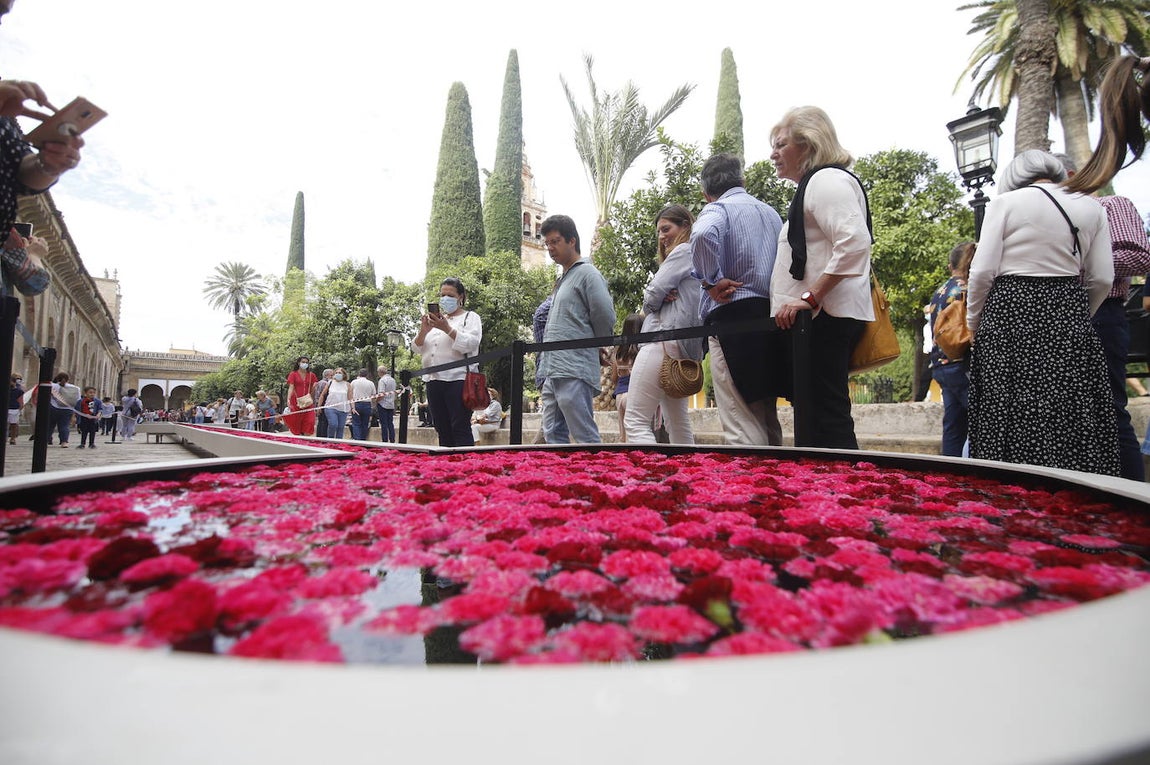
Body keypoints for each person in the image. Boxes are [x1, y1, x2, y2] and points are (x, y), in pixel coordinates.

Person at [966, 149, 1118, 476]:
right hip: (1066, 305)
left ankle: (1008, 485)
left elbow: (981, 273)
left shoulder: (1005, 204)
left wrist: (974, 322)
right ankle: (1075, 487)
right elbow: (1103, 277)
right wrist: (1077, 315)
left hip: (1009, 309)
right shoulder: (1092, 207)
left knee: (1007, 405)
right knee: (1070, 408)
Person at [770, 107, 874, 450]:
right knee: (815, 412)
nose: (773, 153)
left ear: (807, 144)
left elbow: (855, 242)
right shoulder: (819, 184)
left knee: (827, 413)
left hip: (823, 316)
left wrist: (811, 297)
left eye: (781, 144)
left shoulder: (825, 181)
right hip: (817, 317)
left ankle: (844, 491)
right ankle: (825, 491)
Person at [1058, 152, 1150, 481]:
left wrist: (1081, 261)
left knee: (1110, 410)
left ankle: (1130, 499)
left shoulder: (1113, 205)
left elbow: (1139, 257)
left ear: (1069, 175)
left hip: (1103, 315)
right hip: (1065, 320)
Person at [690, 153, 785, 446]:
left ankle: (750, 486)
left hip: (732, 312)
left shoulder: (717, 210)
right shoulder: (770, 212)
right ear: (742, 180)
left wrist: (710, 281)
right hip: (771, 315)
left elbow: (703, 234)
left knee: (740, 415)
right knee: (765, 411)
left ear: (706, 193)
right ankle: (778, 482)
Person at [626, 205, 704, 445]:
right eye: (659, 231)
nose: (662, 236)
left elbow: (650, 297)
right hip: (681, 349)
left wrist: (655, 299)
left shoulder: (683, 251)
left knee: (635, 421)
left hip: (660, 341)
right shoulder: (699, 256)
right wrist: (660, 295)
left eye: (666, 228)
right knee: (678, 424)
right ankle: (689, 476)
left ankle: (649, 479)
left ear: (685, 226)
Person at [538, 215, 616, 444]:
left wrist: (599, 345)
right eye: (547, 244)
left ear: (572, 241)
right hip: (553, 368)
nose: (550, 248)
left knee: (582, 431)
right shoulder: (565, 278)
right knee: (552, 432)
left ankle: (598, 476)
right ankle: (558, 477)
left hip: (573, 365)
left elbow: (604, 314)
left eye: (555, 241)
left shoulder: (588, 273)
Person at [413, 277, 482, 447]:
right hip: (433, 379)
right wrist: (424, 331)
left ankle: (465, 464)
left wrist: (447, 329)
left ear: (461, 297)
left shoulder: (470, 317)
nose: (445, 299)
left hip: (458, 379)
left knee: (459, 426)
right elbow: (417, 347)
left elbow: (470, 343)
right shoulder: (435, 320)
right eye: (442, 295)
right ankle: (446, 465)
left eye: (450, 295)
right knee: (441, 427)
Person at [928, 242, 976, 457]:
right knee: (978, 424)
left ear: (950, 266)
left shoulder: (940, 291)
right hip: (964, 362)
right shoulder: (969, 289)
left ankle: (951, 470)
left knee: (953, 426)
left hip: (941, 364)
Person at [610, 314, 643, 443]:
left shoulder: (618, 351)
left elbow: (614, 378)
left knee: (623, 437)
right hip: (634, 395)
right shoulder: (641, 351)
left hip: (620, 395)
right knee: (635, 435)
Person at [284, 356, 318, 436]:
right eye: (303, 362)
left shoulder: (311, 375)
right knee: (296, 422)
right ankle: (298, 439)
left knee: (310, 421)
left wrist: (314, 388)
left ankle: (306, 439)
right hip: (295, 401)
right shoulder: (293, 374)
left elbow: (313, 389)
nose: (305, 364)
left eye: (306, 362)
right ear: (299, 363)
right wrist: (288, 399)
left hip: (307, 401)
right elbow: (291, 387)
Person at [48, 372, 79, 447]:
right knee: (64, 426)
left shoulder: (52, 386)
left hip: (53, 407)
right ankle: (64, 441)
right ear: (68, 379)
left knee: (50, 425)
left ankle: (46, 439)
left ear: (57, 378)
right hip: (67, 409)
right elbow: (78, 399)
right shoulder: (76, 388)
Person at [318, 367, 351, 439]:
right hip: (330, 408)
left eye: (339, 373)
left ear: (344, 375)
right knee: (333, 424)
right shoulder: (330, 382)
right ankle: (330, 439)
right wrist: (319, 406)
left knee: (340, 428)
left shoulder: (347, 385)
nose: (337, 374)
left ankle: (339, 443)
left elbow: (350, 398)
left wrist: (353, 408)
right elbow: (322, 395)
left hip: (343, 409)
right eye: (336, 373)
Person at [349, 368, 376, 440]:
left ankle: (357, 440)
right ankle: (363, 440)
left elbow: (350, 394)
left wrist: (352, 407)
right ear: (367, 375)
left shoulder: (354, 382)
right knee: (365, 423)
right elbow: (374, 395)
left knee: (356, 423)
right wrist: (373, 406)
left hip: (356, 404)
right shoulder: (371, 383)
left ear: (359, 374)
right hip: (367, 404)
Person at [376, 365, 397, 443]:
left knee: (384, 424)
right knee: (390, 423)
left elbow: (381, 394)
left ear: (380, 372)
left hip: (383, 404)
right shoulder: (393, 380)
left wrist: (377, 401)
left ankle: (385, 440)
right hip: (391, 404)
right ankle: (392, 439)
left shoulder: (382, 380)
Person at [312, 368, 333, 438]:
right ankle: (322, 437)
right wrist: (319, 406)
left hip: (320, 404)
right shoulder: (324, 383)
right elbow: (320, 395)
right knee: (323, 422)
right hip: (322, 405)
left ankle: (320, 437)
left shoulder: (320, 382)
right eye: (332, 375)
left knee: (321, 422)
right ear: (327, 375)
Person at [7, 372, 22, 445]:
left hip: (14, 408)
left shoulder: (19, 390)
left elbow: (21, 400)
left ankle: (13, 438)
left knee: (13, 425)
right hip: (6, 408)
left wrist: (20, 408)